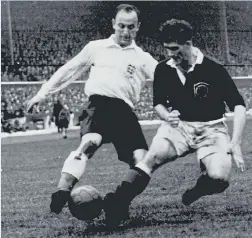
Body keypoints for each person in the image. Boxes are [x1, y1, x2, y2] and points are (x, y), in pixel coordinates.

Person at [103, 19, 246, 229]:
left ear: (188, 43)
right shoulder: (163, 70)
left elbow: (239, 106)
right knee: (151, 159)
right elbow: (158, 103)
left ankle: (200, 187)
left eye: (174, 49)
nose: (170, 54)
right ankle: (118, 203)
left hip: (212, 130)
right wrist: (166, 116)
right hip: (179, 128)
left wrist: (236, 143)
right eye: (167, 49)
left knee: (220, 179)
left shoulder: (213, 69)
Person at [27, 4, 157, 215]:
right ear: (114, 24)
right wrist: (42, 94)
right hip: (99, 105)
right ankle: (62, 191)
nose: (125, 32)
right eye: (121, 26)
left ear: (138, 27)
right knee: (90, 143)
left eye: (131, 27)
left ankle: (118, 201)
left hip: (125, 112)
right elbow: (68, 70)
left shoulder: (143, 58)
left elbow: (167, 80)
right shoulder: (96, 47)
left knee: (143, 161)